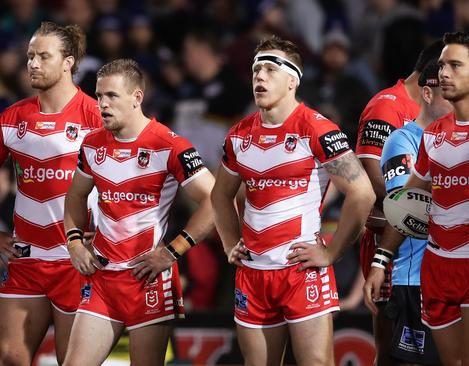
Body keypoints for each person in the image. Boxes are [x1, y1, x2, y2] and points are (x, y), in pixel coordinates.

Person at [365, 31, 469, 366]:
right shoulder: (435, 133)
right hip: (436, 269)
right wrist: (381, 260)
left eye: (455, 66)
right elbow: (409, 203)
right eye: (442, 66)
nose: (444, 74)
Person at [212, 36, 375, 365]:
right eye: (256, 69)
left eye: (270, 69)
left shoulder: (317, 130)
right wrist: (231, 242)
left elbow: (363, 193)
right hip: (253, 273)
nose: (259, 76)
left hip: (301, 272)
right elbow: (219, 195)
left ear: (292, 80)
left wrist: (331, 252)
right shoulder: (239, 135)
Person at [62, 58, 215, 366]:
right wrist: (75, 242)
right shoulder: (92, 144)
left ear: (137, 98)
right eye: (98, 95)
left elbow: (215, 200)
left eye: (111, 96)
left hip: (148, 277)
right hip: (103, 277)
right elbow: (75, 196)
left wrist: (173, 252)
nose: (102, 104)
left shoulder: (170, 145)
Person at [0, 22, 103, 365]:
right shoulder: (12, 118)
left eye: (44, 56)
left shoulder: (96, 117)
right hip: (26, 258)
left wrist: (107, 236)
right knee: (10, 357)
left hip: (77, 262)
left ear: (68, 63)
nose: (33, 63)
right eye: (30, 56)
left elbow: (128, 181)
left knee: (70, 361)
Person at [356, 41, 445, 366]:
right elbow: (371, 172)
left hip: (430, 250)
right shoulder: (388, 106)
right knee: (393, 345)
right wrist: (407, 210)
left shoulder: (446, 117)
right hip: (390, 239)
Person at [378, 58, 452, 365]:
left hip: (454, 275)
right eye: (446, 92)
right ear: (427, 93)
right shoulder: (403, 140)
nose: (456, 101)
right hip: (414, 277)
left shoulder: (456, 137)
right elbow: (408, 211)